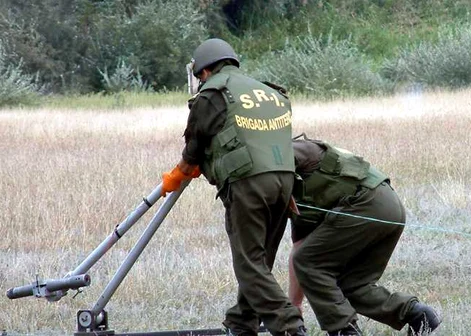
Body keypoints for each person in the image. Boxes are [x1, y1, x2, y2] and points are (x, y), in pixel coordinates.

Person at [161, 38, 307, 336]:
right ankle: (242, 323)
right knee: (260, 261)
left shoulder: (213, 93)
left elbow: (194, 145)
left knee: (249, 264)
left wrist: (180, 172)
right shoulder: (269, 92)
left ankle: (291, 328)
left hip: (248, 181)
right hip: (285, 180)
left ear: (203, 70)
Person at [286, 135, 442, 336]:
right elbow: (300, 248)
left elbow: (306, 260)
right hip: (388, 205)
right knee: (353, 284)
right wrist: (294, 305)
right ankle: (416, 315)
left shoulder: (292, 150)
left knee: (310, 262)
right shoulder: (299, 188)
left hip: (366, 205)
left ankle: (344, 330)